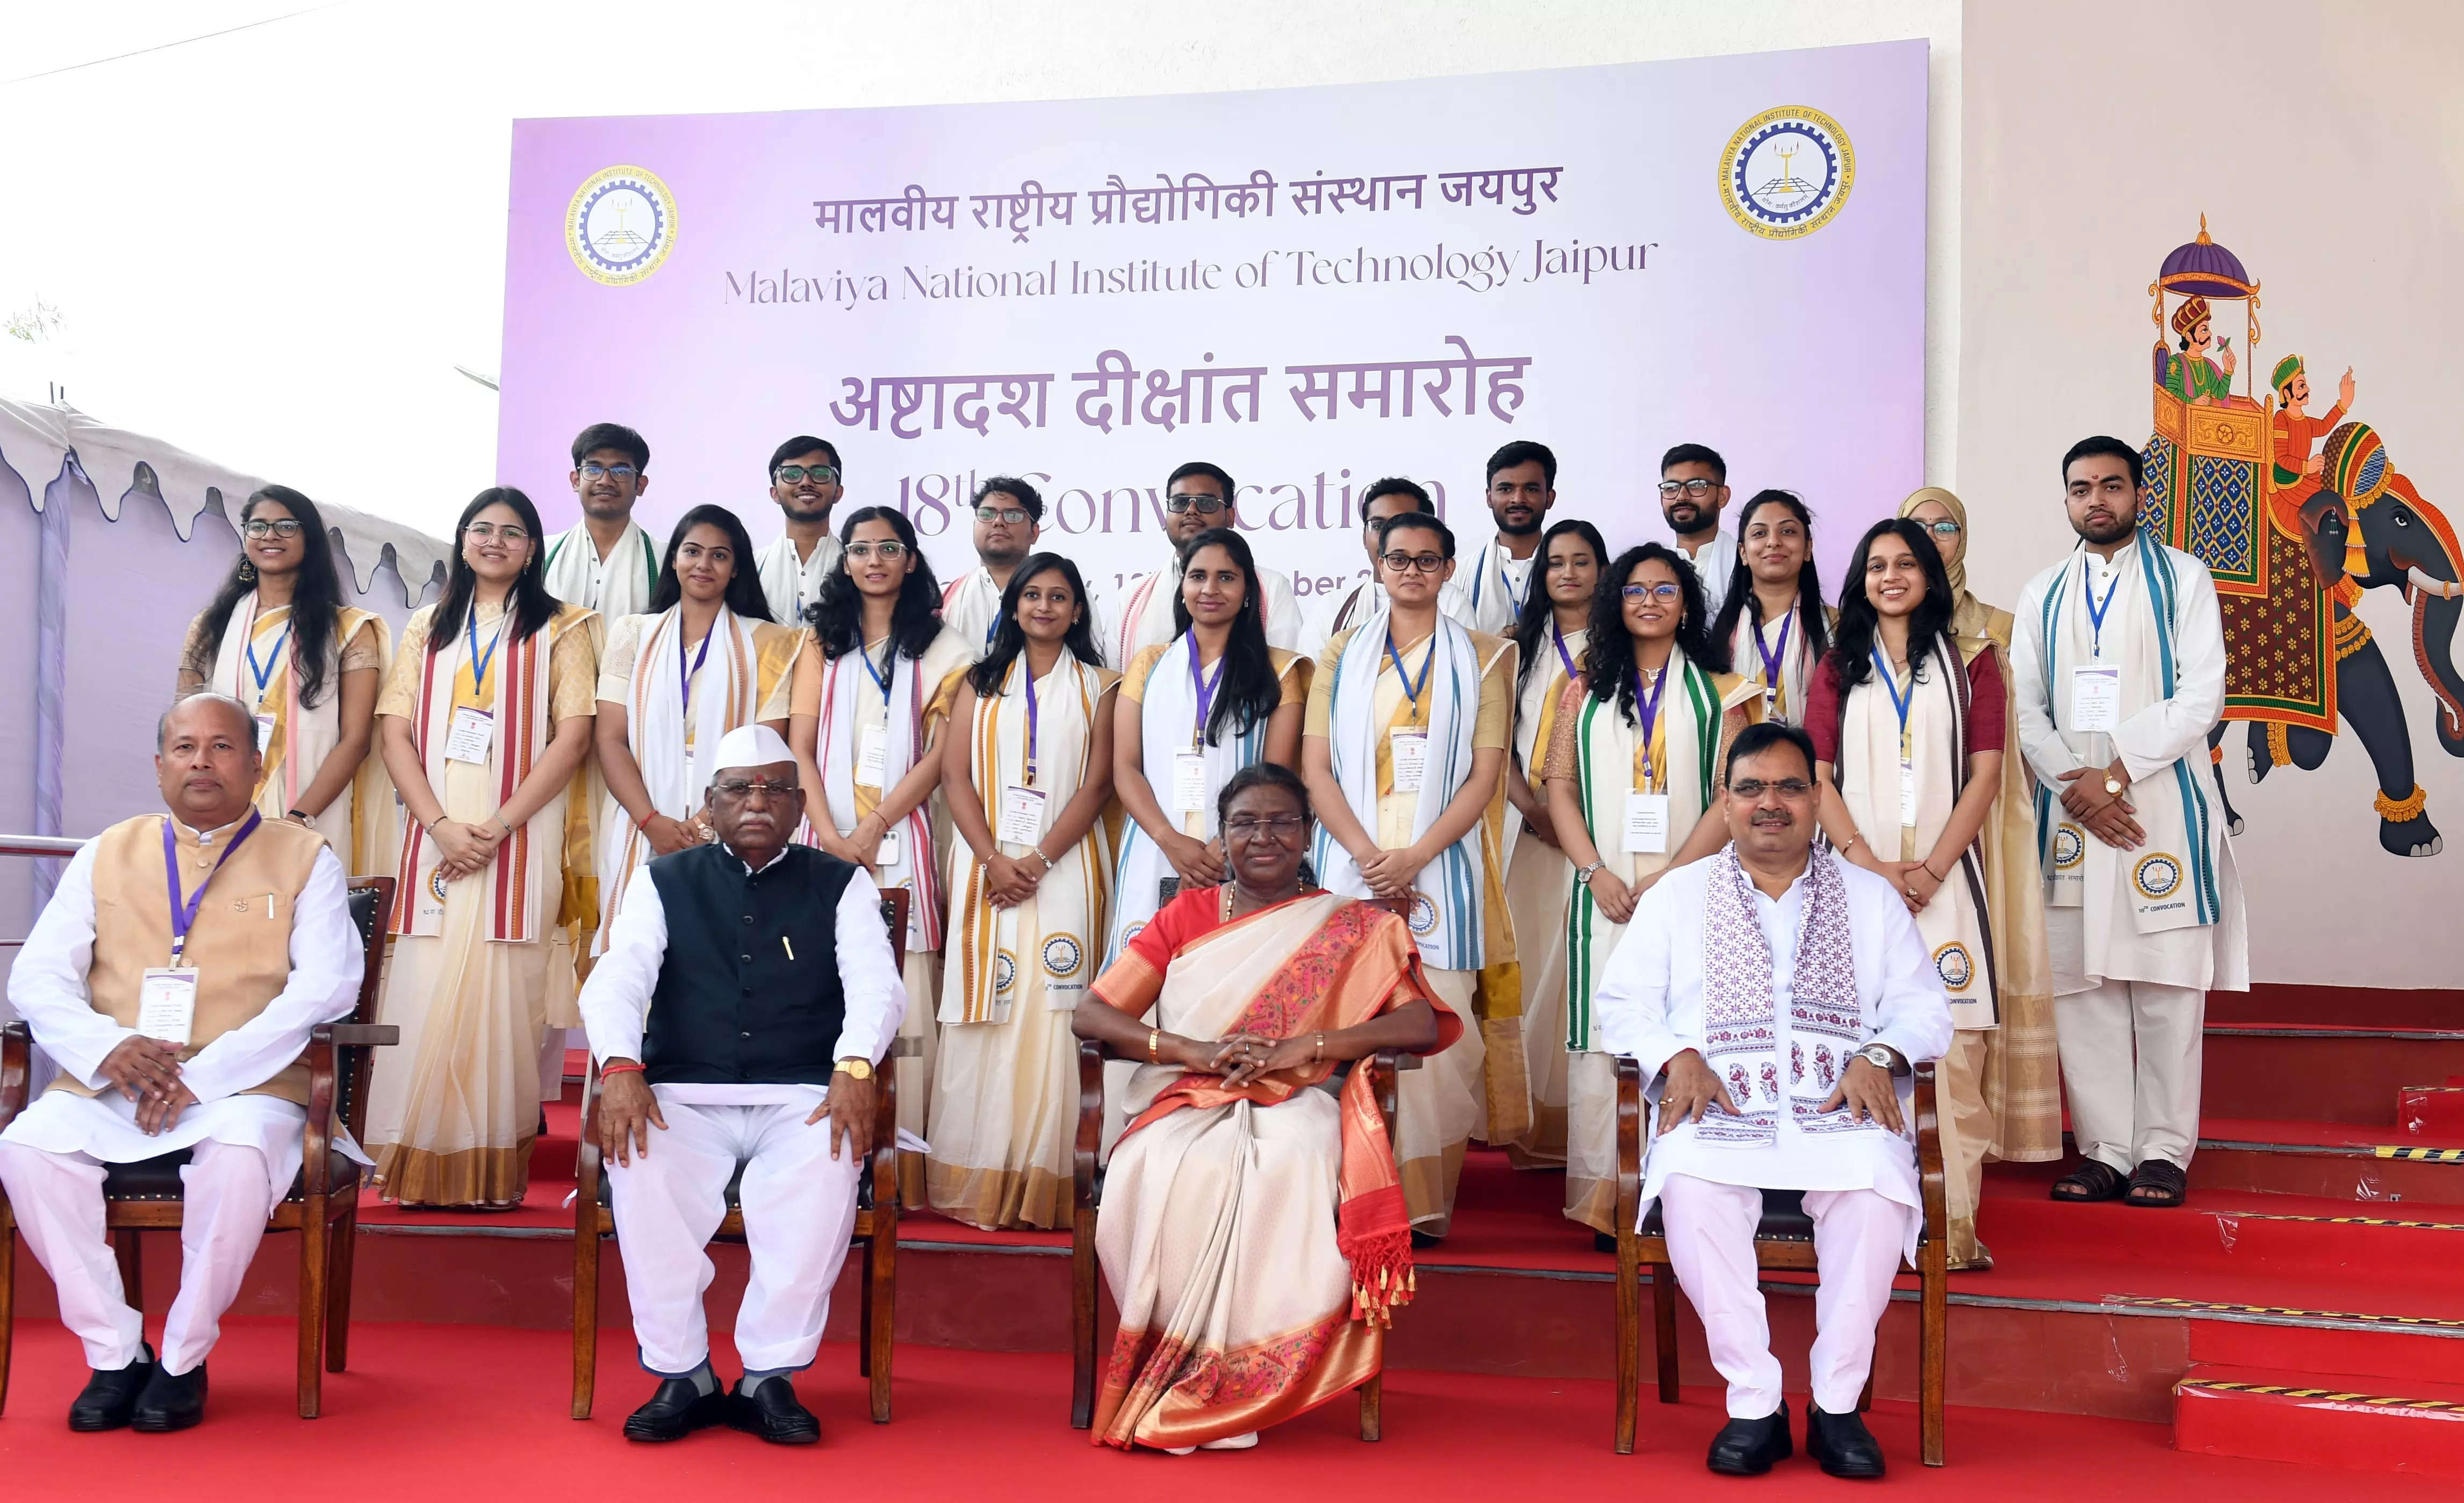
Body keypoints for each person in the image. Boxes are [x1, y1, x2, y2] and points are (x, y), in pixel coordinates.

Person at [1593, 722, 1953, 1479]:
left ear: (1817, 800)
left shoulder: (1870, 898)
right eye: (1751, 788)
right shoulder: (1677, 896)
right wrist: (1676, 1055)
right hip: (1720, 1108)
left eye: (1789, 787)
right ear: (1724, 803)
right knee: (1690, 1187)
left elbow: (1925, 1010)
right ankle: (1754, 1402)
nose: (1771, 804)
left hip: (1837, 1110)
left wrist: (1878, 1055)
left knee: (1876, 1193)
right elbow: (1620, 1003)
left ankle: (1835, 1405)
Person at [0, 694, 363, 1432]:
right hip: (115, 1081)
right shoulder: (108, 850)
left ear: (258, 767)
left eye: (223, 747)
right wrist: (107, 1048)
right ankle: (115, 1353)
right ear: (161, 765)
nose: (203, 761)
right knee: (26, 1148)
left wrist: (205, 1074)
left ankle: (184, 1358)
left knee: (234, 1155)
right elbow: (36, 977)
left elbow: (327, 987)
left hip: (246, 1086)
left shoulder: (305, 858)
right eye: (186, 747)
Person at [1074, 764, 1453, 1454]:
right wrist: (1187, 1049)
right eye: (1245, 823)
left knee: (1288, 1158)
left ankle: (1244, 1380)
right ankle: (1181, 1368)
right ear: (1221, 837)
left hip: (1297, 1097)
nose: (1264, 836)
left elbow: (1419, 1025)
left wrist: (1304, 1046)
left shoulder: (1353, 924)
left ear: (1307, 834)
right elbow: (1092, 1012)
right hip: (1189, 1095)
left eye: (1281, 821)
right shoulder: (1185, 914)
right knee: (1155, 1165)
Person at [578, 725, 904, 1445]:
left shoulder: (842, 883)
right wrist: (620, 1066)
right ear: (711, 802)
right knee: (641, 1166)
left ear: (797, 804)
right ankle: (683, 1372)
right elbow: (619, 978)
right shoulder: (663, 879)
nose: (758, 801)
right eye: (740, 789)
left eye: (775, 789)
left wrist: (856, 1064)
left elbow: (877, 987)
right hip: (683, 1096)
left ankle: (768, 1377)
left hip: (802, 1095)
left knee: (826, 1166)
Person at [2013, 437, 2247, 1209]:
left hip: (2159, 812)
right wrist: (2076, 784)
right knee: (2084, 986)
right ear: (2067, 498)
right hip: (2071, 816)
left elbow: (2200, 698)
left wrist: (2112, 776)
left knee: (2166, 983)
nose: (2097, 501)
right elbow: (2026, 710)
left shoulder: (2183, 578)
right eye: (2081, 488)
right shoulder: (2043, 592)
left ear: (2139, 493)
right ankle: (2105, 1149)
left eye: (2112, 486)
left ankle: (2163, 1152)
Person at [367, 487, 601, 1208]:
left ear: (534, 548)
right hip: (435, 838)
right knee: (425, 987)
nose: (494, 541)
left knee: (503, 1000)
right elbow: (394, 731)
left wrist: (496, 827)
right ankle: (413, 1165)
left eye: (512, 532)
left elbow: (574, 736)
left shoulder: (565, 627)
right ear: (463, 540)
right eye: (481, 529)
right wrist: (438, 825)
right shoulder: (427, 625)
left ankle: (488, 1173)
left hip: (519, 839)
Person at [1302, 510, 1518, 1239]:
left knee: (1436, 1032)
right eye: (1399, 559)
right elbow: (1314, 767)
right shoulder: (1339, 653)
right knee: (1345, 1024)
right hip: (1349, 862)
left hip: (1440, 870)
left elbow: (1485, 775)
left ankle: (1421, 1204)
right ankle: (1347, 1192)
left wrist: (1414, 856)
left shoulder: (1488, 656)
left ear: (1450, 569)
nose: (1413, 572)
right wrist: (1369, 856)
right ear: (1378, 566)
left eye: (1428, 561)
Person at [1805, 519, 2012, 1270]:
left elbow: (1984, 774)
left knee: (1951, 1055)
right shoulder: (1837, 666)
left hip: (1947, 883)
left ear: (1930, 574)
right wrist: (1869, 865)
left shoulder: (1973, 662)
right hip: (1853, 884)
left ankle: (1951, 1229)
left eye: (1904, 564)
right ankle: (1864, 1232)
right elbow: (1817, 776)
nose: (1890, 576)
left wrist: (1928, 870)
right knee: (1853, 1047)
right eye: (1875, 565)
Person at [1542, 543, 1763, 1235]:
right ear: (1615, 602)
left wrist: (1670, 878)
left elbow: (1734, 794)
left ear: (1688, 603)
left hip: (1693, 890)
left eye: (1664, 590)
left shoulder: (1726, 692)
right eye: (1634, 590)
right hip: (1603, 893)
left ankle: (1687, 1197)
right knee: (1607, 1037)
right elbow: (1559, 786)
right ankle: (1610, 1199)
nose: (1648, 601)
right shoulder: (1581, 688)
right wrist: (1593, 871)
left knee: (1689, 1028)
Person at [930, 553, 1119, 1228]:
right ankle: (985, 1170)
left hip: (1064, 866)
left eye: (1059, 596)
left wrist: (1036, 859)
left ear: (1077, 610)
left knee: (1053, 1009)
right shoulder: (973, 683)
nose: (1044, 606)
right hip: (987, 865)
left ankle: (1048, 1175)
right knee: (994, 1006)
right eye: (1032, 595)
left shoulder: (1102, 686)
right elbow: (955, 780)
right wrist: (992, 859)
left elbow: (1098, 786)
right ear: (1012, 608)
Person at [788, 505, 970, 1205]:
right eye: (861, 549)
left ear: (911, 560)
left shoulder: (944, 647)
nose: (873, 560)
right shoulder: (821, 641)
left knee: (905, 994)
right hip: (821, 838)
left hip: (902, 839)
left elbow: (938, 757)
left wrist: (875, 827)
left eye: (888, 548)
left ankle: (891, 1164)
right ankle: (816, 1160)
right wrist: (832, 835)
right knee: (820, 987)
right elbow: (800, 747)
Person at [1898, 486, 2063, 1217]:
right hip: (1885, 845)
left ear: (1964, 537)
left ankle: (1954, 1201)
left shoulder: (1996, 628)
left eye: (1946, 525)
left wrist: (1940, 860)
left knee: (1964, 995)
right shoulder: (1863, 635)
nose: (1933, 538)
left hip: (1980, 834)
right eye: (1917, 527)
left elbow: (2003, 756)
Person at [593, 505, 800, 959]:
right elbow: (610, 738)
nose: (703, 565)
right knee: (636, 959)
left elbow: (765, 750)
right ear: (673, 559)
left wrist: (704, 826)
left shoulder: (772, 643)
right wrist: (652, 823)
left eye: (719, 555)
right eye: (692, 551)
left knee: (721, 959)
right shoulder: (632, 633)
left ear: (736, 569)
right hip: (639, 815)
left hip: (735, 817)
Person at [175, 484, 393, 873]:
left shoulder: (349, 629)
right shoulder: (211, 627)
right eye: (257, 526)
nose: (270, 536)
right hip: (221, 813)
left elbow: (356, 739)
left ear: (309, 538)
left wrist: (298, 818)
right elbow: (183, 729)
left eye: (286, 526)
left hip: (311, 816)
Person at [1499, 518, 1604, 1169]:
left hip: (1595, 831)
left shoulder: (1621, 644)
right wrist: (1532, 807)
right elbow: (1497, 741)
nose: (1567, 572)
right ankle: (1527, 1121)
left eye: (1582, 560)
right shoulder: (1517, 647)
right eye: (1555, 562)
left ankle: (1581, 1123)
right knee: (1534, 964)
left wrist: (1575, 819)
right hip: (1529, 828)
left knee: (1580, 973)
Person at [1100, 461, 1301, 667]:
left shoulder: (1271, 588)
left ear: (1230, 517)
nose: (1191, 511)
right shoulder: (1131, 597)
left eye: (1206, 503)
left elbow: (1285, 677)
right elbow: (1116, 683)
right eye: (1180, 502)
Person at [1298, 477, 1475, 659]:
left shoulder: (1452, 603)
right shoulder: (1332, 609)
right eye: (1378, 525)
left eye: (1401, 524)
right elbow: (1312, 682)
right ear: (1364, 536)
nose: (1388, 536)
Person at [1708, 490, 1830, 725]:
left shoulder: (1836, 627)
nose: (1774, 542)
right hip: (1736, 759)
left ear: (1807, 548)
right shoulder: (1722, 632)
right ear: (1743, 552)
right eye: (1760, 533)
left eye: (1788, 531)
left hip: (1813, 760)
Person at [543, 422, 663, 619]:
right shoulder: (543, 555)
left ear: (640, 486)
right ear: (576, 481)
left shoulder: (663, 560)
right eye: (593, 469)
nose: (605, 481)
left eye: (621, 472)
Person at [938, 476, 1045, 655]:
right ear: (974, 526)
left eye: (1013, 515)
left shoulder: (1062, 597)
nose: (998, 522)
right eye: (987, 514)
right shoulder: (947, 600)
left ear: (1034, 533)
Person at [1462, 441, 1558, 635]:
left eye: (1531, 489)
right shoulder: (1461, 575)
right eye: (1506, 489)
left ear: (1549, 498)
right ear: (1489, 498)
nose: (1518, 499)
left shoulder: (1573, 573)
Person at [751, 436, 846, 625]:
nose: (806, 482)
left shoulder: (857, 568)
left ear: (838, 492)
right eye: (792, 474)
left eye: (820, 473)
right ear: (775, 493)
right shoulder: (751, 568)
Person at [1661, 443, 1739, 619]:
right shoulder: (1655, 568)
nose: (1681, 496)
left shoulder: (1746, 563)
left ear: (1722, 497)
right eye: (1671, 487)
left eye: (1696, 485)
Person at [2161, 297, 2237, 407]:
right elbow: (2171, 391)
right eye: (2204, 330)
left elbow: (2220, 395)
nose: (2210, 334)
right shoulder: (2176, 362)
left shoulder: (2207, 365)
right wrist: (2193, 401)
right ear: (2189, 337)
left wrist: (2228, 371)